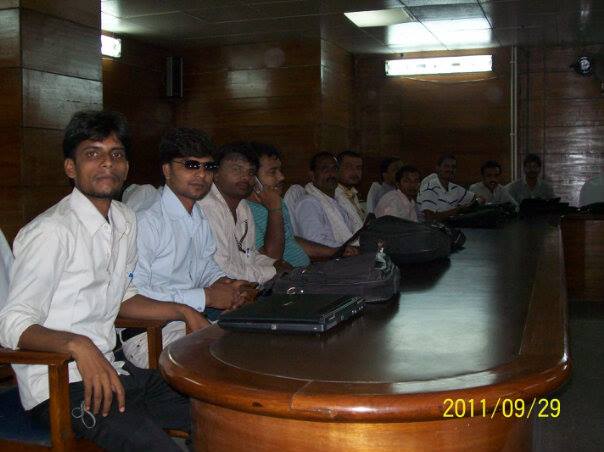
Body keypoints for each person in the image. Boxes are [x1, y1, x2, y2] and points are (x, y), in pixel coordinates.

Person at [0, 111, 206, 451]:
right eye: (92, 153)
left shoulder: (124, 219)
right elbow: (11, 323)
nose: (107, 163)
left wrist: (182, 310)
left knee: (213, 415)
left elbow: (125, 297)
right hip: (59, 386)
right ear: (71, 167)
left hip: (113, 370)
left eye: (116, 154)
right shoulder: (51, 232)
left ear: (126, 166)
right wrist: (79, 346)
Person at [123, 128, 255, 368]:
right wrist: (206, 297)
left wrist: (225, 283)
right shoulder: (147, 221)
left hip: (190, 323)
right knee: (235, 355)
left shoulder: (198, 216)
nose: (201, 174)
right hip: (148, 335)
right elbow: (132, 296)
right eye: (191, 165)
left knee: (260, 339)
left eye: (208, 167)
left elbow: (204, 266)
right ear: (167, 170)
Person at [199, 142, 286, 284]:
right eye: (237, 169)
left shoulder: (242, 206)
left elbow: (248, 256)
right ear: (215, 174)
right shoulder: (207, 208)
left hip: (238, 286)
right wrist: (273, 271)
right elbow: (221, 269)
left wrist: (274, 264)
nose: (245, 177)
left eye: (251, 172)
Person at [294, 152, 358, 250]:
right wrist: (347, 249)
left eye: (334, 169)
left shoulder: (340, 199)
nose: (331, 174)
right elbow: (315, 243)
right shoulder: (308, 203)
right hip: (332, 257)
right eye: (325, 169)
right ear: (312, 175)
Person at [417, 154, 478, 222]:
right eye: (446, 166)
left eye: (453, 167)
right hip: (430, 227)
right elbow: (430, 218)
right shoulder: (431, 187)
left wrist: (477, 202)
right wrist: (457, 210)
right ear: (438, 168)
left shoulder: (454, 187)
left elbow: (476, 198)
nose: (450, 169)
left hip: (450, 224)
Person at [335, 150, 365, 233]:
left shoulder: (351, 192)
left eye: (358, 168)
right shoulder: (333, 196)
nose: (355, 172)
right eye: (349, 167)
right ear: (337, 169)